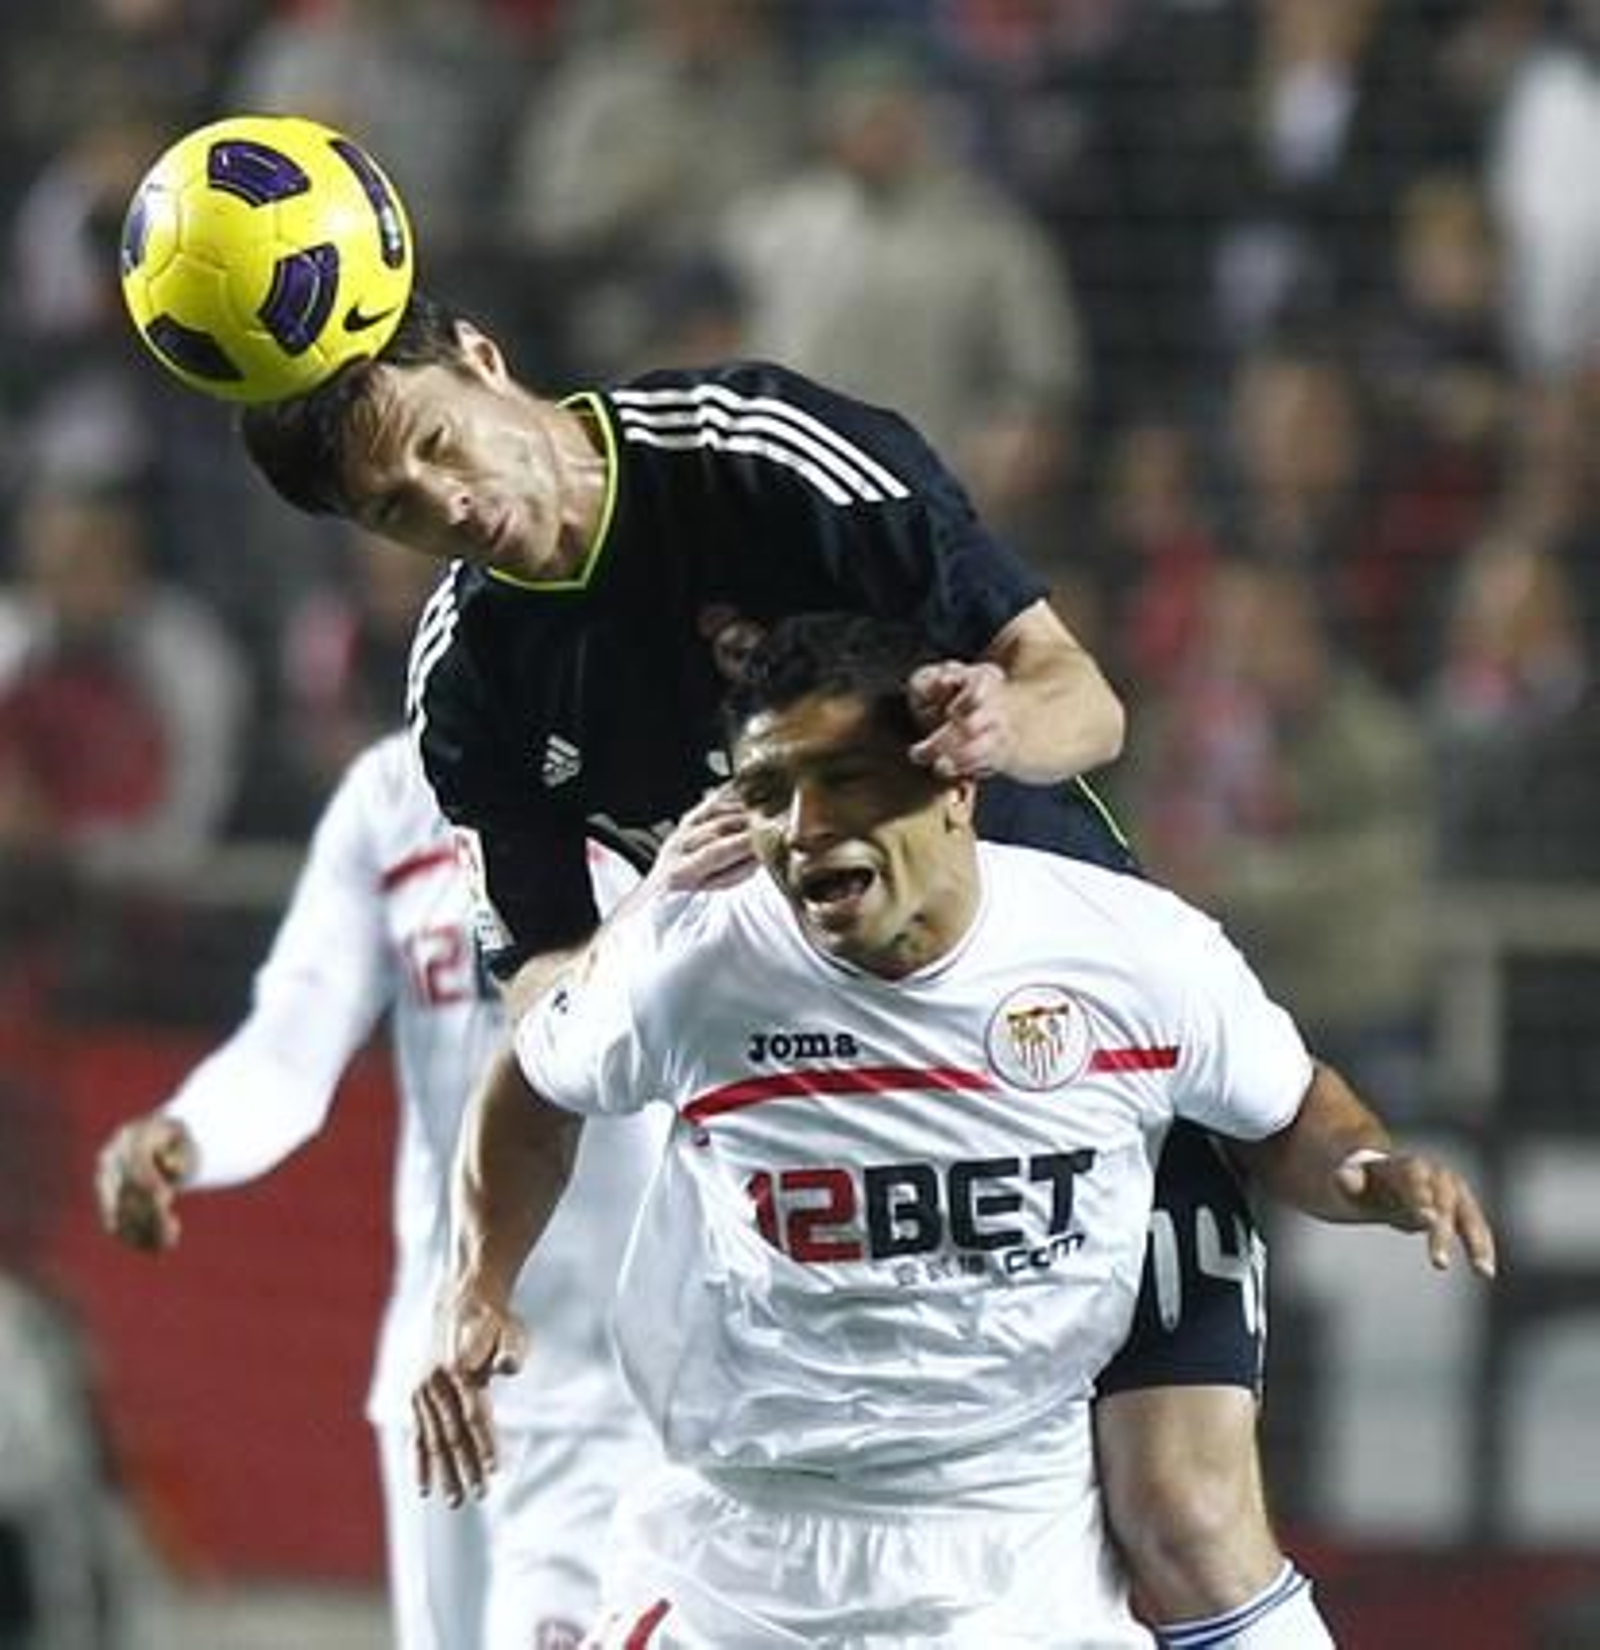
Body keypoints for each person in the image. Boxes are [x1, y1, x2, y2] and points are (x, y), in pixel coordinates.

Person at [236, 286, 1300, 1643]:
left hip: (1071, 1057)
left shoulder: (763, 455)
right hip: (833, 1134)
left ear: (485, 361)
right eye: (395, 507)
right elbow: (543, 999)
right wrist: (649, 924)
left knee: (1187, 1517)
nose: (448, 503)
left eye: (441, 446)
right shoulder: (472, 683)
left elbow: (1083, 696)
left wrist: (1000, 723)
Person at [411, 612, 1497, 1648]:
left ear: (954, 785)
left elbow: (1288, 1106)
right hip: (744, 1552)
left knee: (1207, 1530)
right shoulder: (695, 965)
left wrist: (1369, 1170)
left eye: (845, 780)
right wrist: (478, 1281)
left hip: (1014, 1543)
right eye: (766, 792)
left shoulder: (1131, 956)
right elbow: (536, 1082)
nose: (804, 829)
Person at [93, 730, 662, 1650]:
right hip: (435, 1380)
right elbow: (294, 1038)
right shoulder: (392, 793)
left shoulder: (676, 755)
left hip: (623, 1383)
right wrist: (187, 1136)